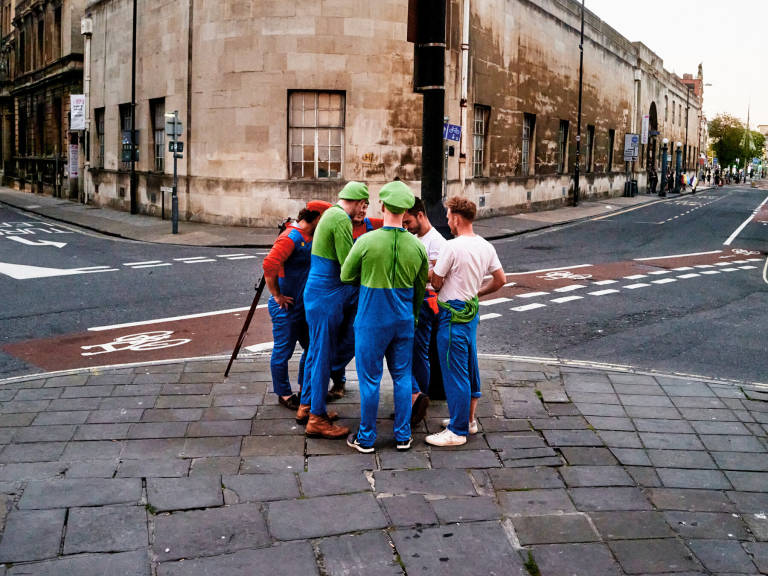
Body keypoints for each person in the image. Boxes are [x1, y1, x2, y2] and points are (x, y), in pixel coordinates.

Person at [341, 181, 429, 453]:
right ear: (406, 211)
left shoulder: (367, 241)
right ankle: (403, 436)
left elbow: (346, 275)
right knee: (402, 376)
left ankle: (366, 438)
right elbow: (420, 289)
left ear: (383, 205)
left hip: (371, 320)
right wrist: (412, 317)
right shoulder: (416, 247)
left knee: (370, 379)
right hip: (403, 320)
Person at [425, 197, 506, 447]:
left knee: (454, 372)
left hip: (452, 314)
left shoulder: (452, 246)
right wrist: (477, 293)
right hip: (471, 310)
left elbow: (436, 283)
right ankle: (468, 420)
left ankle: (457, 431)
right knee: (469, 367)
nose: (448, 221)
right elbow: (500, 279)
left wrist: (428, 270)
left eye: (449, 217)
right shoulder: (485, 246)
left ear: (457, 218)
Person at [299, 181, 369, 439]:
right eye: (364, 205)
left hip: (319, 294)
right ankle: (316, 418)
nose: (363, 211)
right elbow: (347, 265)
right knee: (323, 355)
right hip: (328, 296)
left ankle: (307, 407)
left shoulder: (330, 214)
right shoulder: (340, 219)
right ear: (359, 202)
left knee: (318, 353)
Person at [263, 201, 332, 411]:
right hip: (286, 307)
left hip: (302, 306)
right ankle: (283, 393)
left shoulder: (309, 237)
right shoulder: (291, 237)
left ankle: (306, 390)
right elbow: (269, 265)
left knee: (312, 347)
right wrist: (277, 295)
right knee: (283, 351)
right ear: (317, 217)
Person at [327, 200, 384, 402]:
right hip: (339, 290)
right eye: (359, 206)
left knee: (351, 337)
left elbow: (398, 225)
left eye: (366, 206)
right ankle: (338, 381)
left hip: (361, 293)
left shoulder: (374, 225)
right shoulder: (339, 223)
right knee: (334, 335)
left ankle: (331, 369)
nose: (362, 211)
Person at [401, 197, 447, 424]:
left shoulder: (436, 241)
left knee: (417, 352)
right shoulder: (414, 237)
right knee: (411, 352)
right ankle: (413, 399)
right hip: (413, 299)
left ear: (420, 215)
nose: (406, 227)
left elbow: (438, 276)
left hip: (426, 303)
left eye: (408, 221)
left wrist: (413, 271)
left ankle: (417, 399)